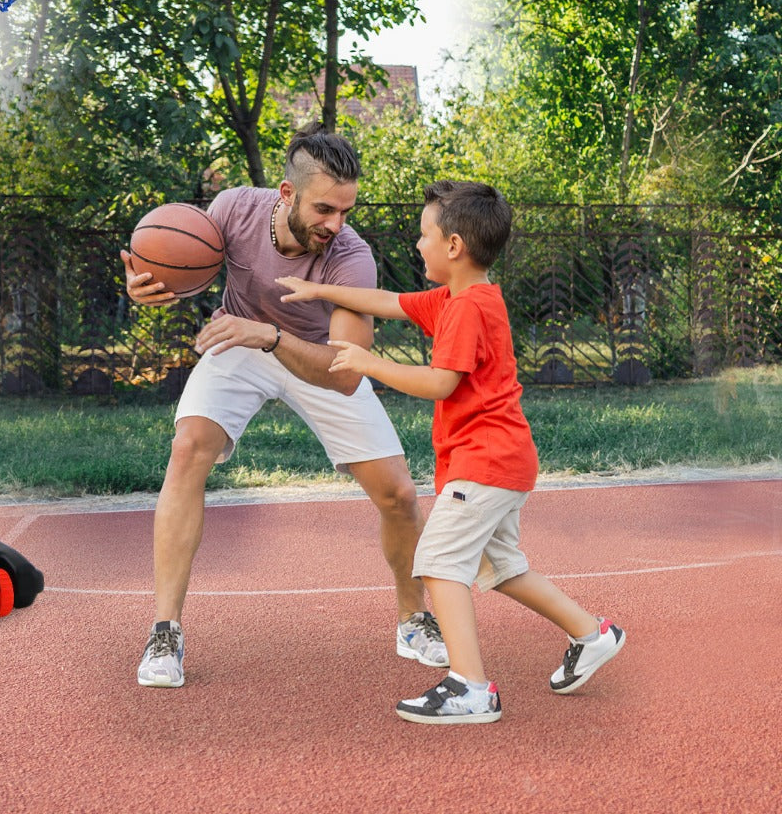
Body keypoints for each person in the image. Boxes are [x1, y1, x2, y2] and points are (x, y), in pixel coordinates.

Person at [278, 179, 625, 725]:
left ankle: (471, 687)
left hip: (483, 461)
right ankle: (593, 632)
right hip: (502, 459)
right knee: (503, 567)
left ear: (454, 246)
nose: (417, 246)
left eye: (423, 236)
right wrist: (321, 292)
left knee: (438, 565)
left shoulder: (466, 310)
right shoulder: (461, 297)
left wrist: (370, 365)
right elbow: (388, 302)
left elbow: (442, 382)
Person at [121, 126, 446, 689]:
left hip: (312, 356)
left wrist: (269, 335)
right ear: (286, 194)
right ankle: (165, 630)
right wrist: (145, 285)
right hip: (241, 342)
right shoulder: (231, 210)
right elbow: (177, 261)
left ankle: (413, 618)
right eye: (324, 209)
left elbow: (345, 374)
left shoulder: (351, 258)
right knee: (187, 448)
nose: (335, 224)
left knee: (398, 494)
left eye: (345, 211)